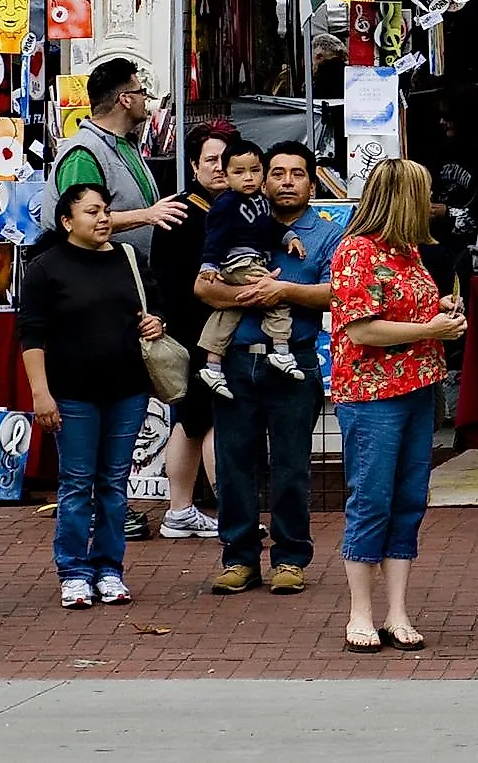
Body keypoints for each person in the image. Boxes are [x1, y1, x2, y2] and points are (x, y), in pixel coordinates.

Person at [330, 158, 465, 653]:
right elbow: (362, 329)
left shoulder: (407, 251)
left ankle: (397, 610)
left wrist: (437, 309)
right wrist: (431, 328)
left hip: (415, 388)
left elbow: (398, 310)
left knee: (409, 499)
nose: (431, 205)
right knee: (371, 498)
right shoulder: (357, 251)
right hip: (371, 395)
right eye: (423, 195)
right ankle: (360, 613)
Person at [196, 139, 340, 595]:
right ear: (261, 178)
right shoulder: (237, 217)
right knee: (234, 465)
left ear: (312, 183)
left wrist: (284, 292)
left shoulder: (327, 233)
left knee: (291, 466)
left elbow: (336, 292)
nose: (286, 182)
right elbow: (202, 288)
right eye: (277, 173)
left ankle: (290, 559)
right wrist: (250, 296)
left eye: (297, 174)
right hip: (237, 362)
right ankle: (239, 559)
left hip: (294, 361)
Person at [18, 182, 163, 609]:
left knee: (114, 483)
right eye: (92, 212)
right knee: (77, 483)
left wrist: (157, 322)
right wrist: (41, 394)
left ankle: (109, 568)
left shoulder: (129, 258)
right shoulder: (45, 268)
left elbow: (155, 306)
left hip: (127, 390)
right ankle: (74, 571)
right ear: (67, 221)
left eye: (106, 211)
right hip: (72, 394)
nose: (103, 219)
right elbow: (32, 336)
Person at [152, 126, 235, 540]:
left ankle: (180, 510)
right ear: (193, 165)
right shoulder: (182, 213)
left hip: (220, 334)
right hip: (195, 335)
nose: (219, 168)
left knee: (190, 423)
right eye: (210, 160)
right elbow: (167, 280)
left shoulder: (238, 208)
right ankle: (231, 517)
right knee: (209, 420)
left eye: (226, 160)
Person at [192, 138, 309, 398]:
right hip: (239, 261)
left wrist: (289, 236)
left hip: (253, 258)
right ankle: (281, 349)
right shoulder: (226, 203)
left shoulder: (260, 200)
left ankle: (212, 364)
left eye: (255, 171)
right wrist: (209, 264)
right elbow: (215, 235)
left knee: (230, 310)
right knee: (273, 294)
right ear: (226, 175)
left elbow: (271, 226)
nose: (248, 178)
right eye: (239, 172)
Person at [49, 57, 185, 263]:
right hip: (97, 274)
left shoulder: (127, 143)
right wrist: (147, 215)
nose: (146, 99)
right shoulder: (83, 154)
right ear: (126, 100)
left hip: (131, 272)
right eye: (141, 92)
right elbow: (80, 221)